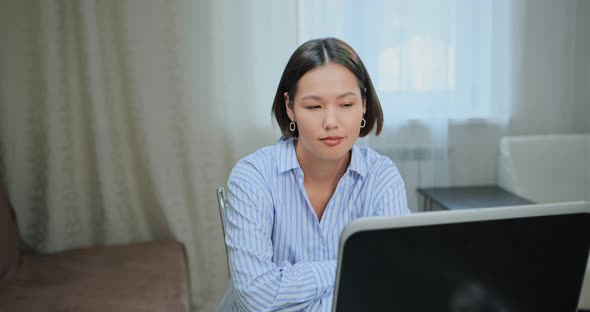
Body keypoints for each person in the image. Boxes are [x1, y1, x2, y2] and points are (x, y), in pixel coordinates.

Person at [218, 37, 410, 312]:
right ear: (289, 106)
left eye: (346, 105)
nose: (331, 122)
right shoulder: (253, 176)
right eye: (314, 107)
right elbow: (256, 297)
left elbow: (393, 281)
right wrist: (349, 268)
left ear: (364, 104)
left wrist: (288, 287)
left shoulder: (382, 176)